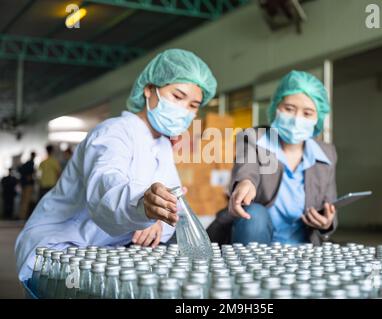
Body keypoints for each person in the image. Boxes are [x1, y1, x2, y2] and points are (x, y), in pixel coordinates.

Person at [15, 49, 217, 281]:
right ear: (149, 89)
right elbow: (106, 186)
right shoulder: (112, 132)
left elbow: (172, 205)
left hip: (113, 250)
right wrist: (144, 205)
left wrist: (159, 221)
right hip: (62, 246)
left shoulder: (162, 144)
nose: (184, 110)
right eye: (177, 96)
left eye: (193, 105)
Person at [207, 70, 337, 245]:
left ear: (318, 118)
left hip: (302, 250)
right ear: (276, 107)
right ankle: (250, 271)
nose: (296, 119)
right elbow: (246, 168)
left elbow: (331, 206)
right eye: (289, 109)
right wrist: (245, 183)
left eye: (307, 113)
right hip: (255, 243)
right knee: (254, 213)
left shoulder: (326, 154)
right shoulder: (254, 137)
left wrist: (326, 222)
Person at [18, 151, 36, 220]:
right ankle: (23, 216)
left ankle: (21, 215)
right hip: (28, 185)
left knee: (23, 200)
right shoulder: (31, 163)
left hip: (24, 184)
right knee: (26, 201)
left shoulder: (27, 163)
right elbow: (30, 174)